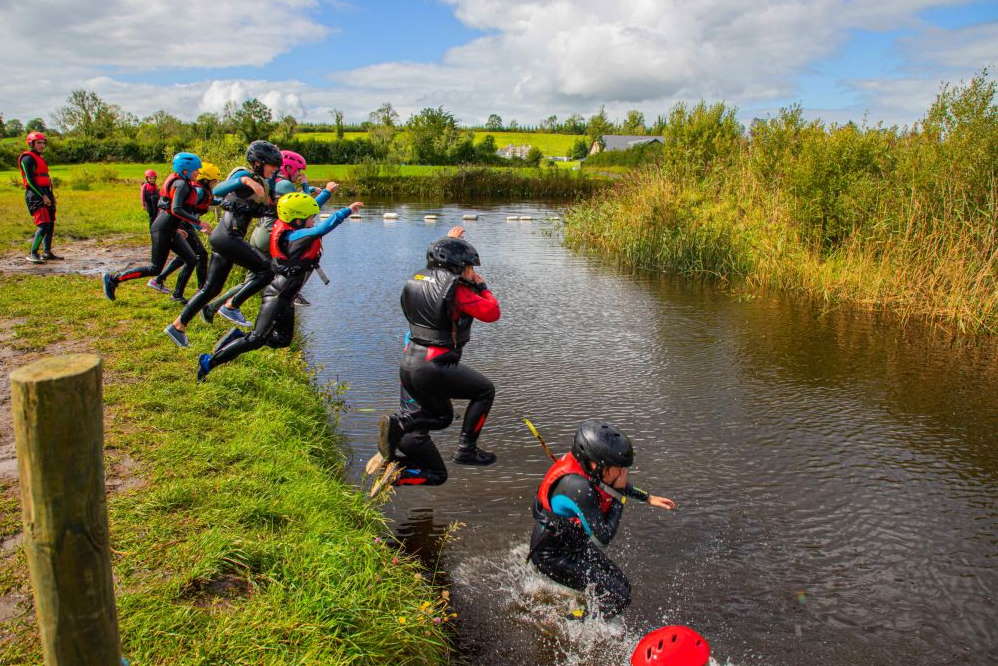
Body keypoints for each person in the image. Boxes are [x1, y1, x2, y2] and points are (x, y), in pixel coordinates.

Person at [366, 230, 501, 494]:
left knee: (441, 417)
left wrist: (450, 241)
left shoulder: (418, 279)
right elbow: (492, 312)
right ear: (459, 267)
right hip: (434, 365)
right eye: (470, 267)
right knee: (485, 391)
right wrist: (482, 286)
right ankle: (467, 449)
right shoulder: (459, 290)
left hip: (410, 360)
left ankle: (398, 431)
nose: (472, 271)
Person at [196, 192, 362, 380]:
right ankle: (209, 362)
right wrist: (346, 211)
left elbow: (305, 210)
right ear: (297, 220)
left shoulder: (293, 228)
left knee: (282, 340)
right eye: (310, 218)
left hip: (287, 297)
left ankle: (236, 337)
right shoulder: (296, 237)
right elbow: (322, 229)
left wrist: (325, 195)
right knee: (256, 339)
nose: (313, 221)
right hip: (277, 296)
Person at [528, 420, 676, 620]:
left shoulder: (589, 471)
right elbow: (603, 537)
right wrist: (620, 494)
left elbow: (611, 484)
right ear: (596, 465)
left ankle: (583, 612)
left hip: (572, 543)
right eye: (618, 468)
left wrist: (647, 497)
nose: (623, 473)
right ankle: (568, 623)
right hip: (551, 556)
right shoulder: (577, 488)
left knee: (622, 585)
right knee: (618, 596)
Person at [165, 140, 282, 347]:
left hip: (224, 238)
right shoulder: (244, 175)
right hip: (228, 237)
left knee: (211, 289)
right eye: (273, 165)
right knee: (267, 270)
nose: (275, 170)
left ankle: (177, 326)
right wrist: (245, 181)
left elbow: (269, 201)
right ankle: (231, 305)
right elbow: (218, 189)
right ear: (258, 163)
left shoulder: (262, 181)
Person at [201, 151, 339, 320]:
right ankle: (271, 311)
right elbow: (304, 211)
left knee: (252, 280)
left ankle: (213, 308)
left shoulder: (277, 182)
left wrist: (306, 188)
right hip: (271, 236)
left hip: (261, 233)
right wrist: (326, 192)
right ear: (288, 167)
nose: (300, 174)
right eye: (298, 170)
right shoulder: (285, 185)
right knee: (275, 274)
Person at [101, 152, 202, 300]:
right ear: (185, 171)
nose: (198, 172)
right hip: (162, 230)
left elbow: (168, 208)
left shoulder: (181, 182)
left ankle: (177, 295)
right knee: (155, 268)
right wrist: (199, 222)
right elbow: (176, 209)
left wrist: (177, 228)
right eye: (196, 170)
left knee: (191, 259)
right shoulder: (181, 184)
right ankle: (113, 279)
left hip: (170, 229)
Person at [150, 162, 221, 303]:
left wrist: (225, 202)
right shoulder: (199, 191)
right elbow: (186, 211)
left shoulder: (201, 190)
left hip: (185, 224)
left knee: (186, 257)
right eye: (214, 181)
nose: (215, 184)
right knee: (200, 255)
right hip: (184, 225)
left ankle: (160, 280)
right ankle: (201, 291)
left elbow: (207, 202)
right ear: (206, 180)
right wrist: (199, 226)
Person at [19, 131, 61, 263]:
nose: (42, 145)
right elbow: (30, 181)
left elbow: (44, 178)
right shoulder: (27, 158)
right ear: (31, 144)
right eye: (39, 143)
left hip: (46, 192)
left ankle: (47, 252)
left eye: (43, 143)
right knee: (43, 224)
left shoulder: (40, 158)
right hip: (34, 194)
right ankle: (33, 253)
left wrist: (50, 195)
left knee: (50, 223)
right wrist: (42, 195)